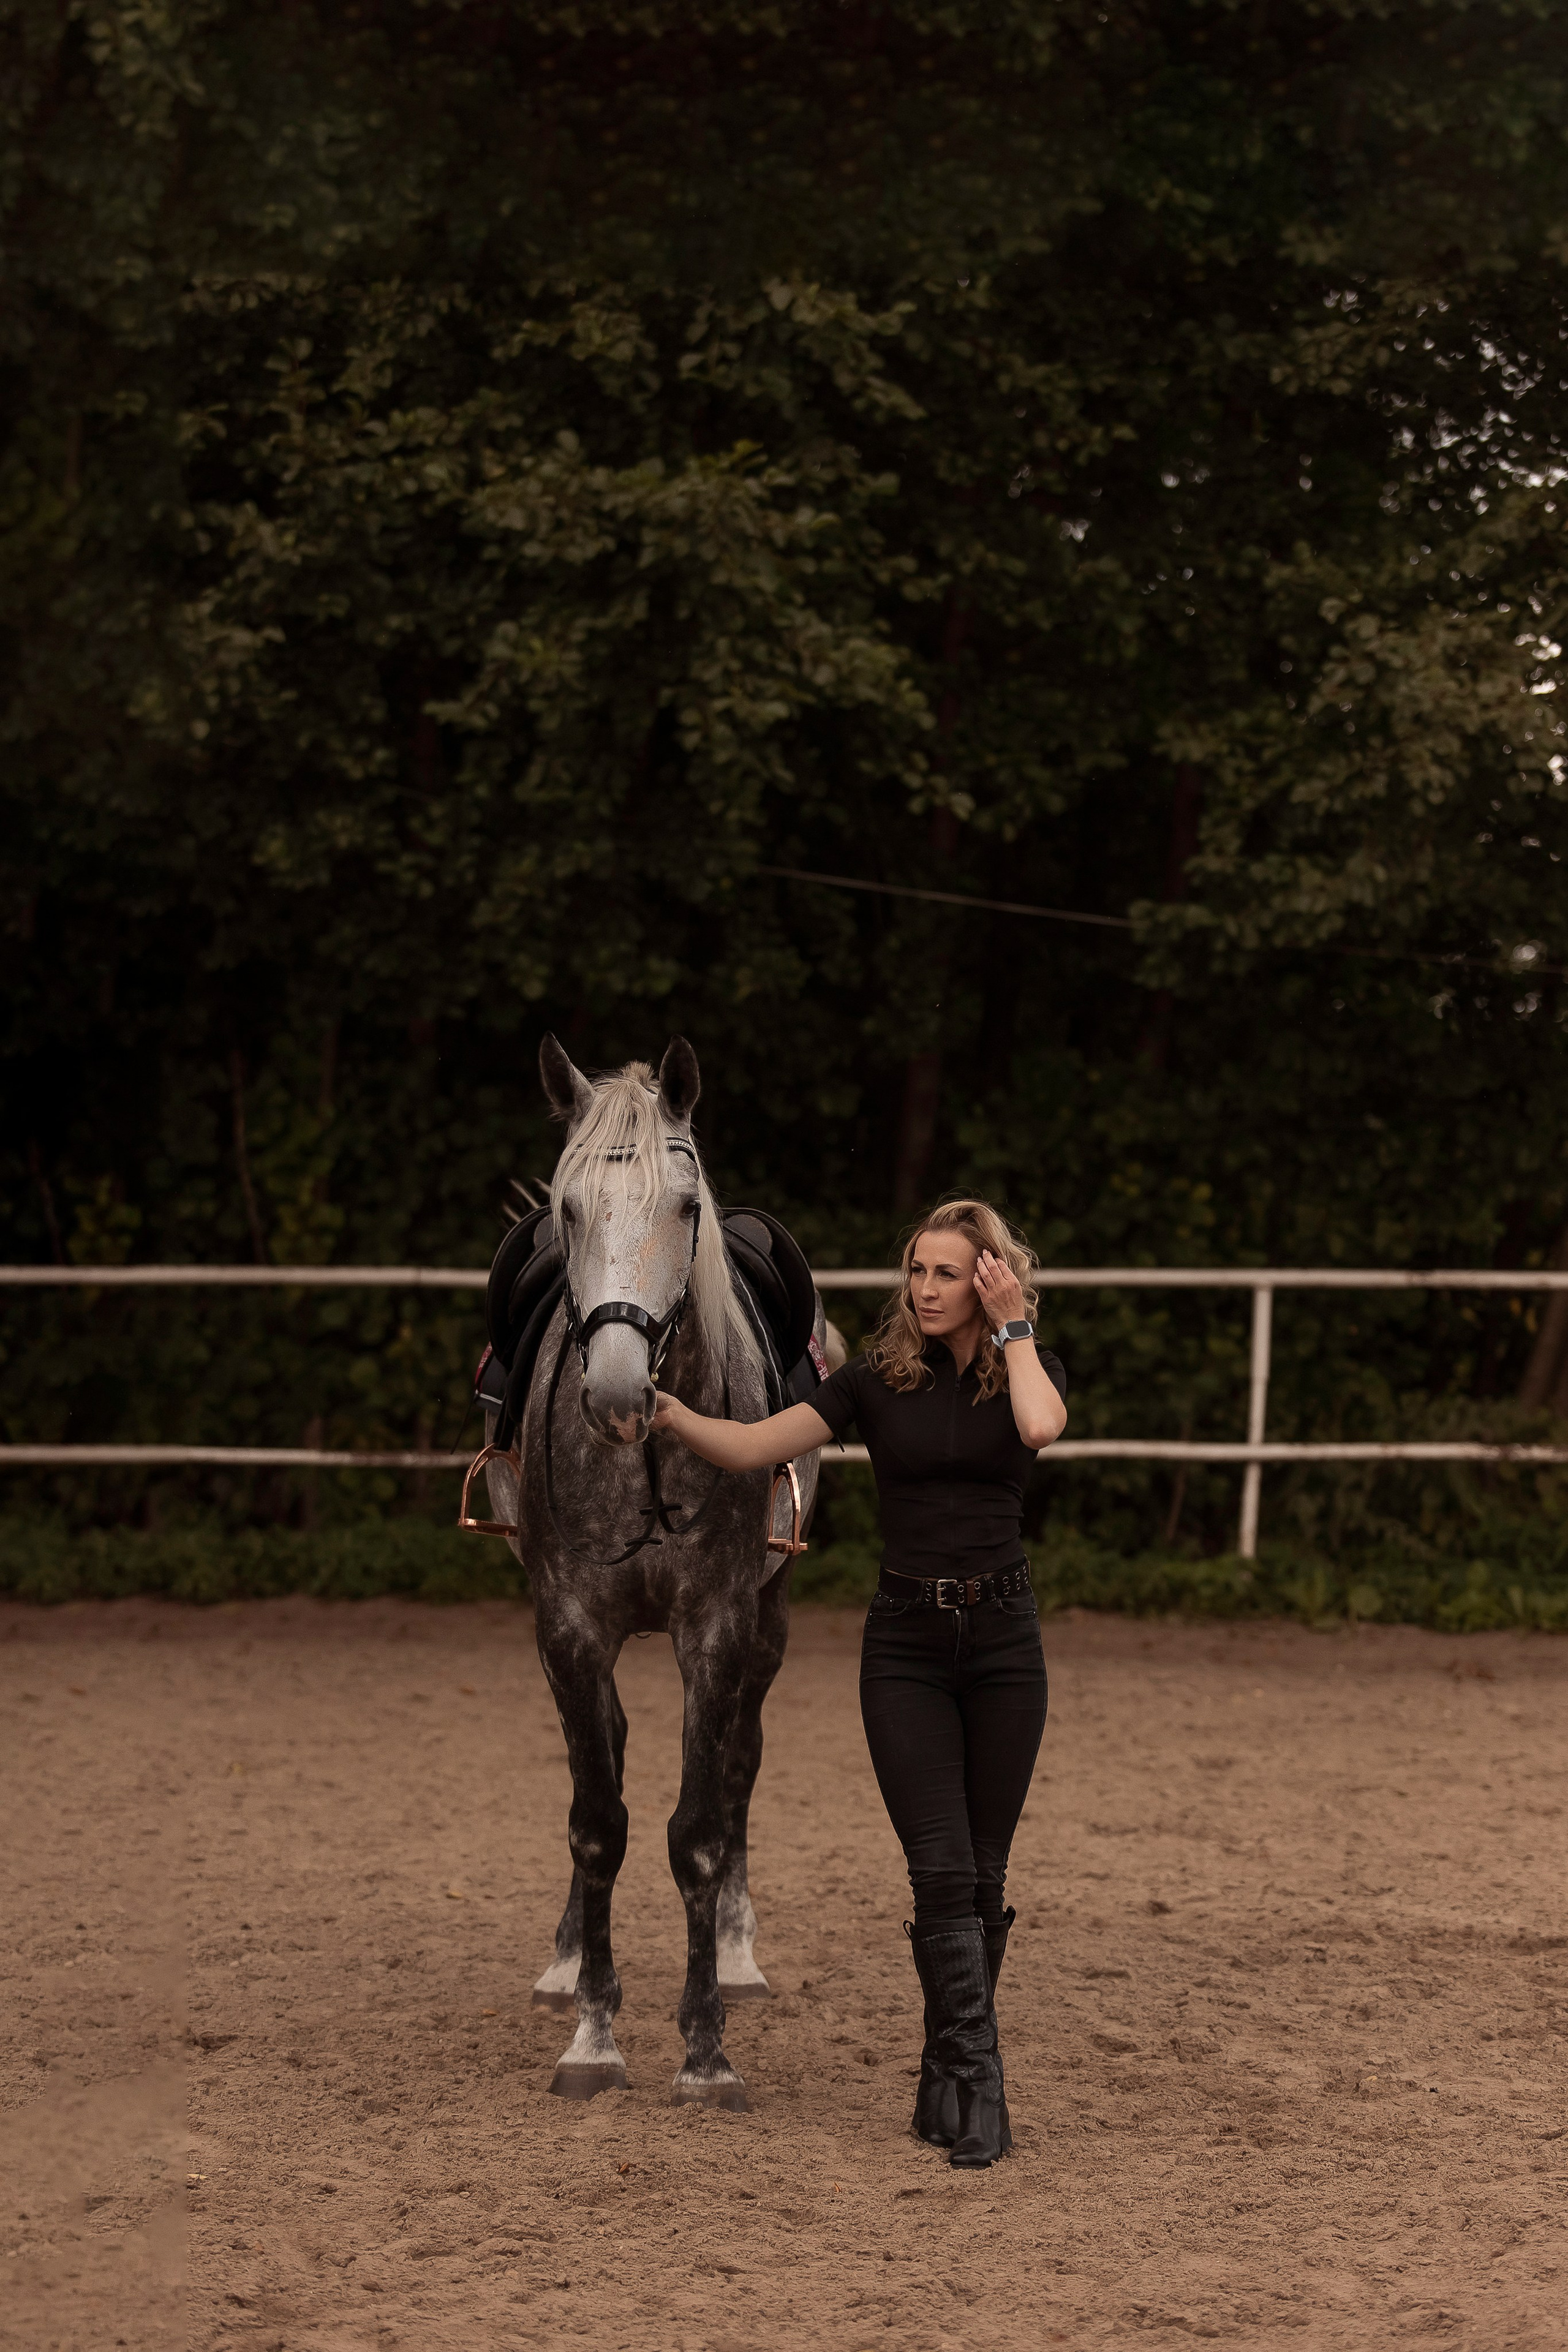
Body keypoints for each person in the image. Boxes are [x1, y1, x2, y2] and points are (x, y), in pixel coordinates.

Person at [652, 1197, 1066, 2169]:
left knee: (987, 1874)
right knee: (940, 1871)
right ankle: (982, 2083)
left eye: (948, 1273)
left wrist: (1017, 1332)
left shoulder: (1023, 1369)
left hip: (1007, 1644)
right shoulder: (875, 1382)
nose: (924, 1290)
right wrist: (672, 1415)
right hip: (907, 1648)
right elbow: (760, 1447)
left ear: (990, 1279)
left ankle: (943, 2080)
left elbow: (1042, 1428)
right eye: (916, 1271)